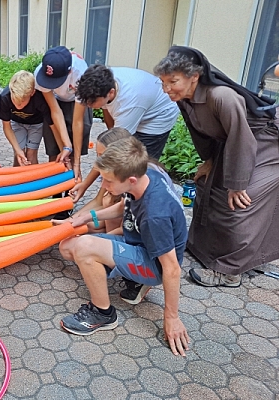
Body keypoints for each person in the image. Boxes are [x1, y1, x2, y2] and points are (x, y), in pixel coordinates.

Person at [154, 46, 279, 287]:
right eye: (163, 82)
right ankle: (202, 249)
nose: (166, 89)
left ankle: (230, 272)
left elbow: (242, 138)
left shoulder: (222, 96)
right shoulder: (184, 98)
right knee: (207, 187)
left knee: (240, 203)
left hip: (265, 142)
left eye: (173, 82)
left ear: (194, 76)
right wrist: (209, 161)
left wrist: (237, 184)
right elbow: (199, 133)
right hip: (233, 143)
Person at [56, 137, 190, 357]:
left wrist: (172, 317)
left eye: (108, 181)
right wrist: (87, 217)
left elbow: (172, 269)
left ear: (131, 180)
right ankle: (127, 276)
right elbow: (124, 205)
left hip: (154, 265)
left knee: (84, 247)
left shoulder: (155, 215)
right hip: (138, 244)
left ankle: (103, 313)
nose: (103, 186)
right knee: (67, 246)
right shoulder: (145, 175)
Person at [75, 64, 179, 160]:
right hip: (142, 101)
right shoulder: (92, 85)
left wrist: (92, 174)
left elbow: (117, 143)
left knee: (142, 161)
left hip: (159, 113)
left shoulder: (127, 103)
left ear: (111, 93)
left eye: (92, 102)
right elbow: (109, 120)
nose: (88, 105)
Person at [34, 46, 92, 180]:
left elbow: (78, 121)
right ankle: (55, 188)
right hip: (56, 102)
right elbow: (55, 110)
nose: (52, 84)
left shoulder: (81, 73)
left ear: (69, 72)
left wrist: (76, 163)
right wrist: (66, 146)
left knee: (74, 153)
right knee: (55, 152)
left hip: (76, 102)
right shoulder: (40, 74)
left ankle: (73, 183)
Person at [0, 70, 51, 166]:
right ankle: (17, 175)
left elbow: (52, 123)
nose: (18, 105)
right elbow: (6, 126)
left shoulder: (40, 98)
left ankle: (34, 176)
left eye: (22, 101)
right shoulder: (5, 97)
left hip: (36, 124)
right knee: (19, 155)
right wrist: (18, 151)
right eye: (14, 99)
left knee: (31, 154)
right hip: (16, 123)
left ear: (32, 93)